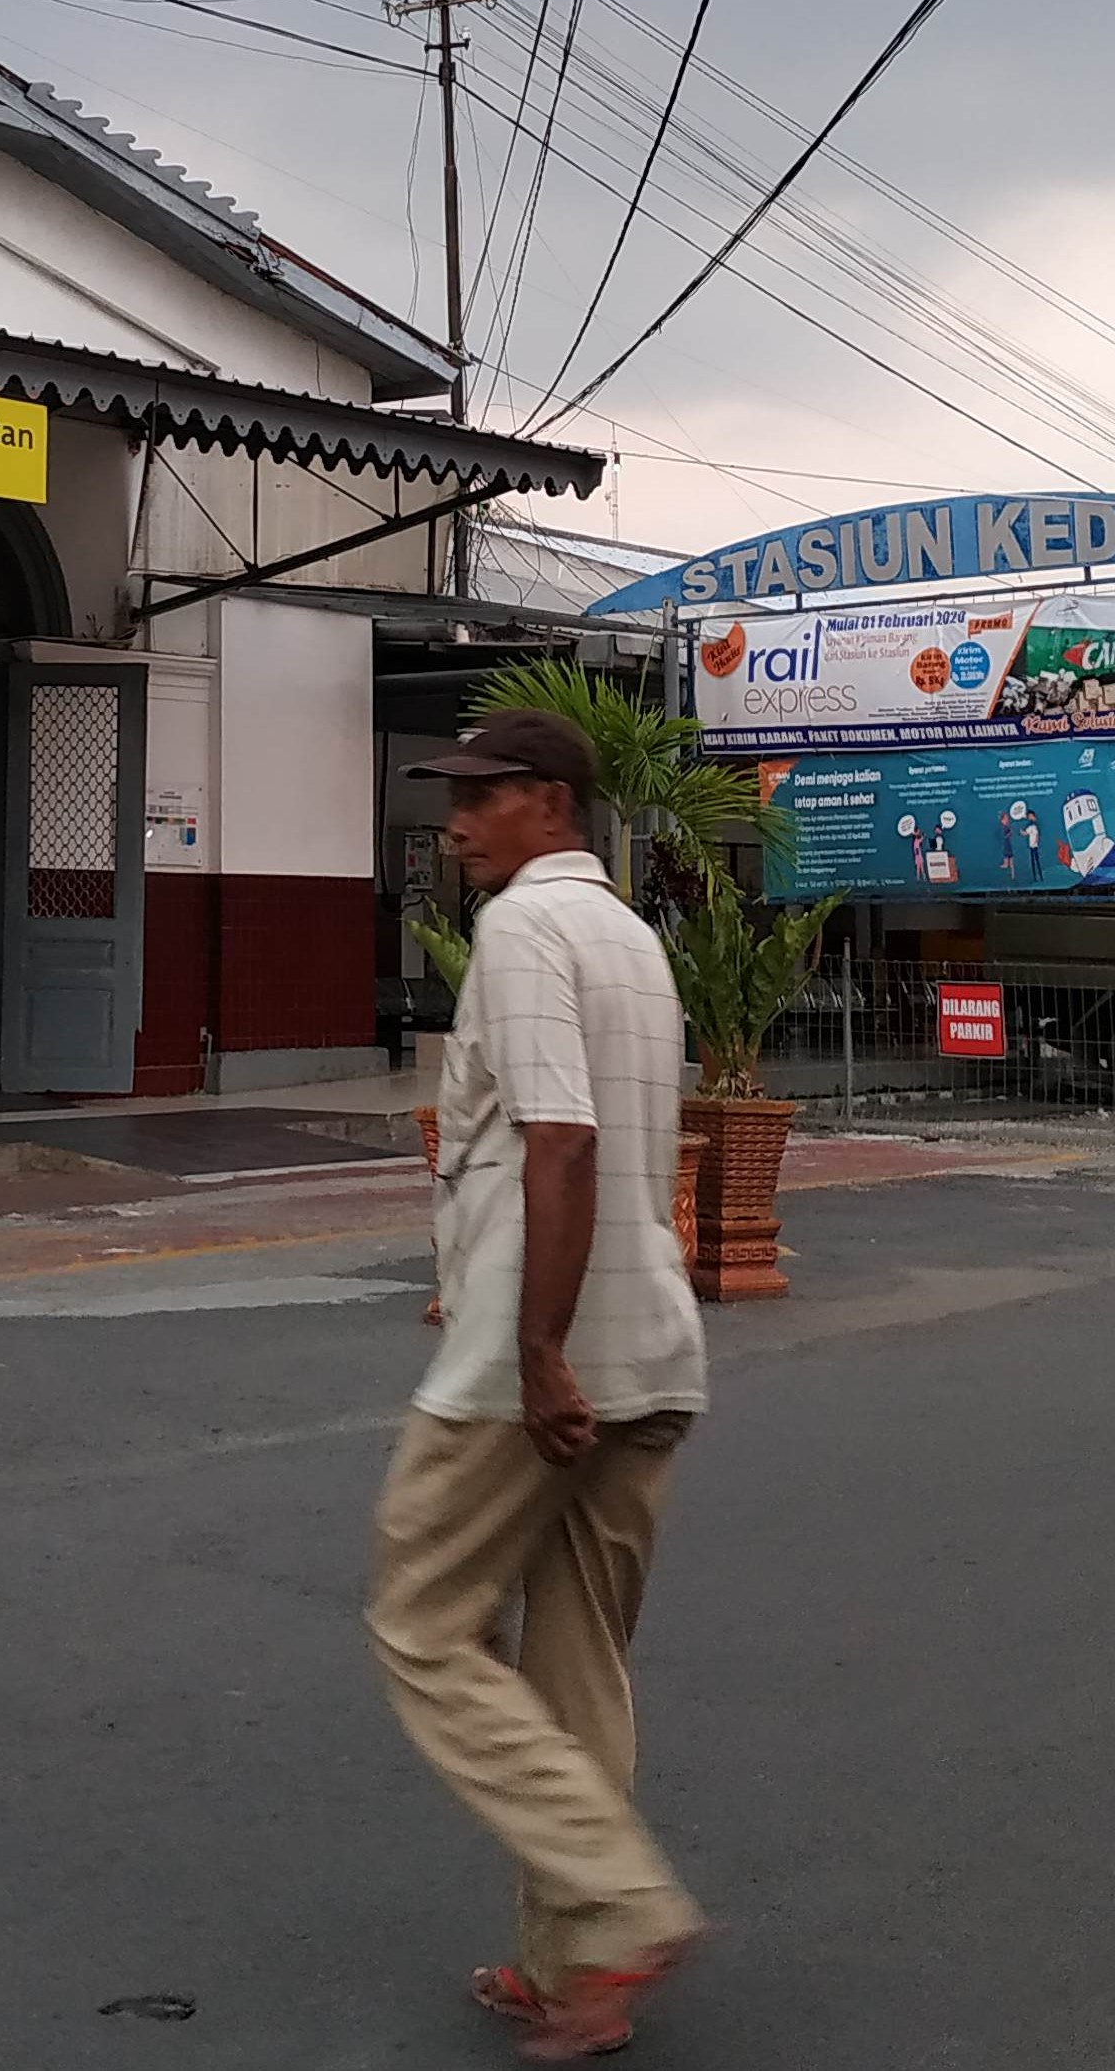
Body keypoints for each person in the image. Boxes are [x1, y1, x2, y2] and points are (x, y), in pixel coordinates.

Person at [369, 708, 710, 2062]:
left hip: (543, 1355)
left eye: (480, 795)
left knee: (420, 1621)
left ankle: (621, 1899)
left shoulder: (521, 929)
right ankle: (580, 1970)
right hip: (653, 1345)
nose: (455, 821)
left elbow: (557, 1142)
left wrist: (536, 1349)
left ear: (550, 801)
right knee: (578, 1667)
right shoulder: (629, 934)